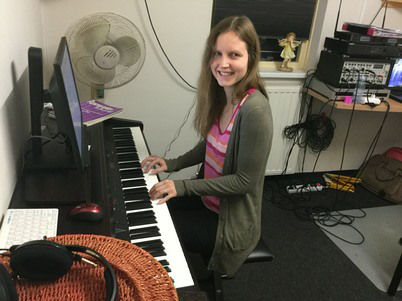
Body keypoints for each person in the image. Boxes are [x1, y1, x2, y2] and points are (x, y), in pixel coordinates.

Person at [141, 16, 273, 278]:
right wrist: (173, 163)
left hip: (228, 224)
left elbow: (244, 182)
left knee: (153, 229)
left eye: (234, 54)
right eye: (217, 54)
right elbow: (211, 143)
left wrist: (182, 186)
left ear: (251, 58)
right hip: (207, 203)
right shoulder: (223, 96)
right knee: (150, 209)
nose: (223, 64)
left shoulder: (255, 109)